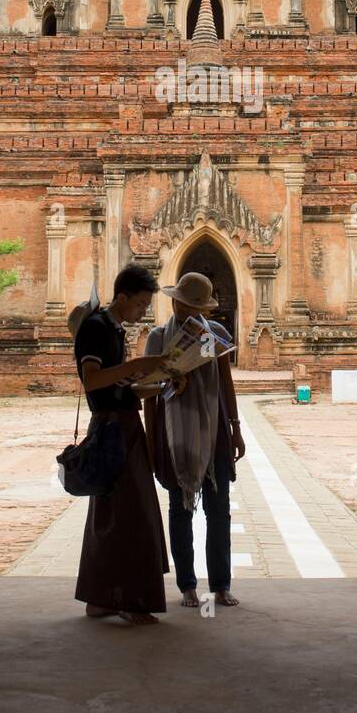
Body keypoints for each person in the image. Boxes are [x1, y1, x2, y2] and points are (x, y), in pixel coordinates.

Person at [72, 263, 172, 626]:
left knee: (112, 517)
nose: (144, 312)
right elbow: (93, 380)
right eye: (142, 305)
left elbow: (119, 388)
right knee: (134, 516)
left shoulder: (115, 330)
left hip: (124, 425)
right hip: (111, 430)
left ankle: (99, 599)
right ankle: (131, 600)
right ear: (123, 297)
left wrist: (161, 385)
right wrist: (141, 362)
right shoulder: (96, 327)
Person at [143, 272, 246, 610]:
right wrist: (150, 434)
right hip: (176, 431)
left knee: (220, 511)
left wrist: (235, 426)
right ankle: (187, 585)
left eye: (194, 306)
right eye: (183, 304)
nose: (187, 310)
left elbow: (225, 383)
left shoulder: (213, 334)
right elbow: (149, 391)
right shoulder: (159, 338)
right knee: (179, 508)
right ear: (173, 302)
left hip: (213, 427)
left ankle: (220, 585)